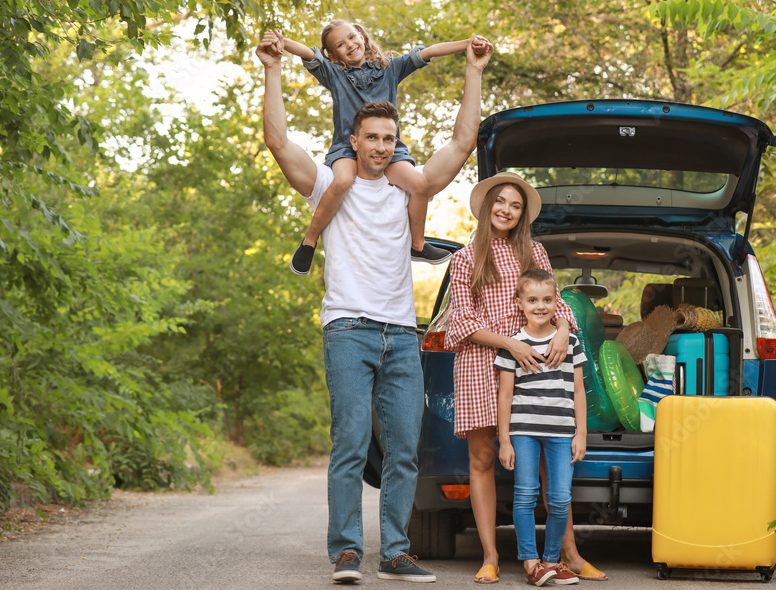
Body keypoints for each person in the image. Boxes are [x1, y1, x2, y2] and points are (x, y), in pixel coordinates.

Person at [256, 31, 493, 584]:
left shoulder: (408, 189)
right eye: (372, 138)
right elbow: (278, 141)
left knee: (405, 451)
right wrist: (272, 70)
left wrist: (473, 71)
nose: (382, 146)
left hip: (402, 336)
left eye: (390, 137)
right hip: (349, 330)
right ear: (354, 140)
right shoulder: (326, 187)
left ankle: (394, 553)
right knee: (351, 441)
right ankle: (345, 553)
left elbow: (462, 143)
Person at [445, 171, 608, 584]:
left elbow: (560, 304)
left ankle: (567, 553)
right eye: (500, 202)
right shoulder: (465, 258)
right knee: (482, 459)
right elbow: (460, 322)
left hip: (536, 365)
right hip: (482, 363)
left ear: (523, 215)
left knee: (547, 463)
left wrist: (564, 331)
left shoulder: (534, 251)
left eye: (515, 205)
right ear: (486, 207)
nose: (506, 209)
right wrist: (510, 344)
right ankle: (491, 556)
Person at [275, 21, 489, 275]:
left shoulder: (390, 68)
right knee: (342, 181)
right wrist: (282, 43)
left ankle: (418, 244)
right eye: (340, 45)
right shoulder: (334, 74)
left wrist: (467, 44)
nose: (350, 45)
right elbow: (309, 54)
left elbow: (428, 52)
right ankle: (309, 241)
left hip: (390, 150)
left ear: (363, 37)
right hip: (346, 147)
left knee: (419, 185)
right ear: (333, 55)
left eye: (352, 37)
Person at [496, 269, 587, 586]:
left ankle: (551, 560)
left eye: (547, 299)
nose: (540, 306)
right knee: (525, 495)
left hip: (562, 433)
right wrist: (504, 440)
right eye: (532, 300)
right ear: (519, 302)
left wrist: (581, 434)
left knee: (561, 498)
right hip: (523, 432)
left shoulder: (570, 342)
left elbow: (578, 391)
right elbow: (505, 394)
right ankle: (531, 563)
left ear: (555, 303)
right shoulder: (513, 345)